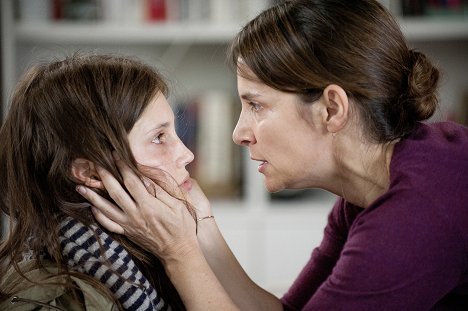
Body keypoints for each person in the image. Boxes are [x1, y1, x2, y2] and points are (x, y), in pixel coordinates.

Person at [76, 0, 468, 310]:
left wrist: (177, 253)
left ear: (331, 109)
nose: (238, 133)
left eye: (257, 106)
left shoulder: (418, 210)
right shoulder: (362, 195)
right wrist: (200, 226)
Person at [0, 53, 198, 310]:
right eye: (159, 137)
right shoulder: (50, 301)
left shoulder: (141, 252)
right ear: (90, 173)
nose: (187, 155)